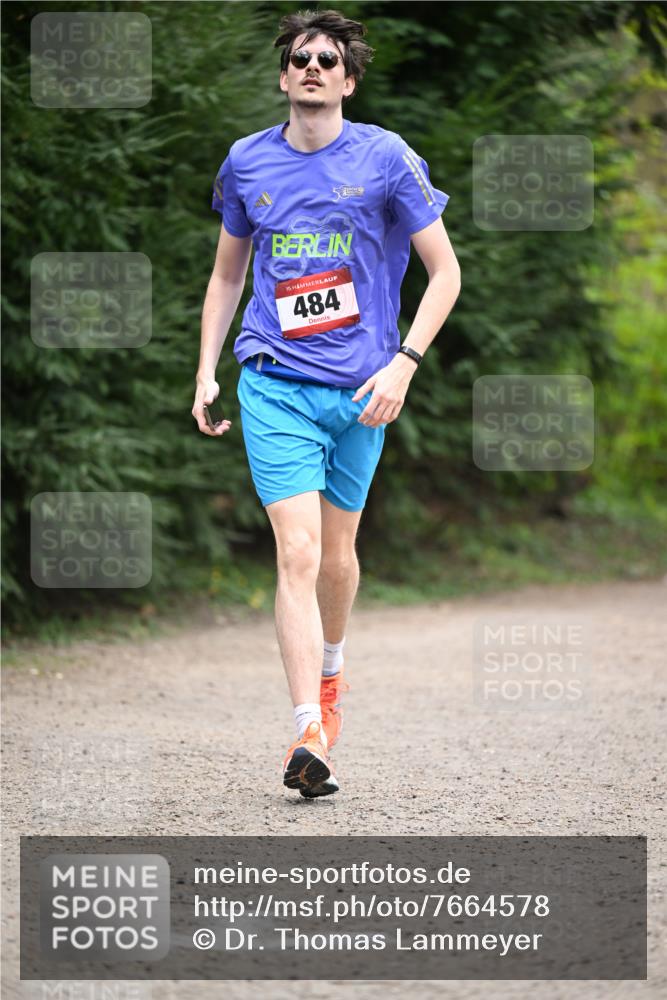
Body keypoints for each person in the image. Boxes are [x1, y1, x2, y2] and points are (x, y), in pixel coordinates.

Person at [192, 8, 461, 798]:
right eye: (299, 58)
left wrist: (404, 365)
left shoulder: (384, 159)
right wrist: (206, 370)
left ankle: (333, 675)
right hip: (273, 381)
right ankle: (307, 726)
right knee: (298, 554)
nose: (311, 67)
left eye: (327, 59)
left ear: (346, 79)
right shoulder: (247, 163)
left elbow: (444, 273)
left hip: (359, 392)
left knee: (338, 560)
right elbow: (225, 278)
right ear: (284, 77)